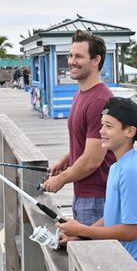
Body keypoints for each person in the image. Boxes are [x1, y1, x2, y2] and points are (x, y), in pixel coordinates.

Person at [58, 97, 137, 271]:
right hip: (124, 260)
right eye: (101, 125)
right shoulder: (117, 166)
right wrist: (79, 234)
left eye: (108, 126)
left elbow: (131, 231)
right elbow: (111, 216)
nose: (101, 132)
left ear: (130, 131)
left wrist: (82, 228)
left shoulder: (131, 170)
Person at [43, 30, 116, 225]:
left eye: (79, 56)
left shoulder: (100, 100)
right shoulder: (80, 94)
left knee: (93, 254)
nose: (71, 61)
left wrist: (61, 180)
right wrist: (66, 161)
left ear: (96, 60)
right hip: (83, 193)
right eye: (70, 55)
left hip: (97, 197)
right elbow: (86, 142)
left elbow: (93, 159)